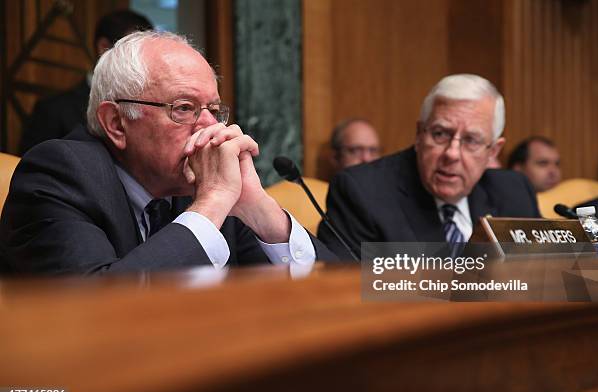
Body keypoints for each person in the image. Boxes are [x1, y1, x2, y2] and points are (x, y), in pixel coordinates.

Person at [0, 31, 335, 275]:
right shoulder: (59, 173)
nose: (208, 126)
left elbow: (341, 291)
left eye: (214, 109)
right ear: (116, 123)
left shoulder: (201, 187)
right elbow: (95, 310)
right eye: (184, 108)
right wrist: (212, 202)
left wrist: (258, 209)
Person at [318, 74, 541, 260]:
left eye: (471, 140)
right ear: (419, 135)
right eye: (440, 134)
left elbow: (545, 280)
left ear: (493, 151)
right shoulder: (362, 193)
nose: (452, 153)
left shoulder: (515, 191)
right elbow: (349, 288)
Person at [19, 10, 154, 154]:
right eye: (133, 53)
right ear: (104, 47)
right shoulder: (53, 110)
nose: (144, 63)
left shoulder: (154, 107)